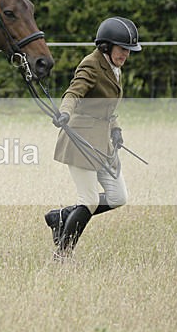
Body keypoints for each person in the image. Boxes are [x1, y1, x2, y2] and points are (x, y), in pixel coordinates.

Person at [45, 16, 142, 259]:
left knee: (118, 197)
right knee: (88, 200)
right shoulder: (91, 64)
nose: (126, 55)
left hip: (103, 142)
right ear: (106, 46)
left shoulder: (114, 68)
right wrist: (65, 113)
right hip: (81, 139)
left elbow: (106, 106)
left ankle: (61, 216)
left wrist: (115, 128)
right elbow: (73, 92)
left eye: (129, 50)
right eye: (122, 49)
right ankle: (62, 256)